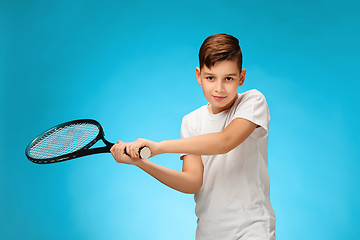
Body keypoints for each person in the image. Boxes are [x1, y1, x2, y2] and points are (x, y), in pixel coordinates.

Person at [110, 33, 276, 240]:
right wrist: (140, 162)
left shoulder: (252, 102)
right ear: (198, 75)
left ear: (241, 77)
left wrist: (159, 147)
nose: (219, 88)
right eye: (210, 77)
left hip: (253, 228)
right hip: (209, 232)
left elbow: (225, 141)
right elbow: (192, 183)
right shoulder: (191, 121)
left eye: (229, 78)